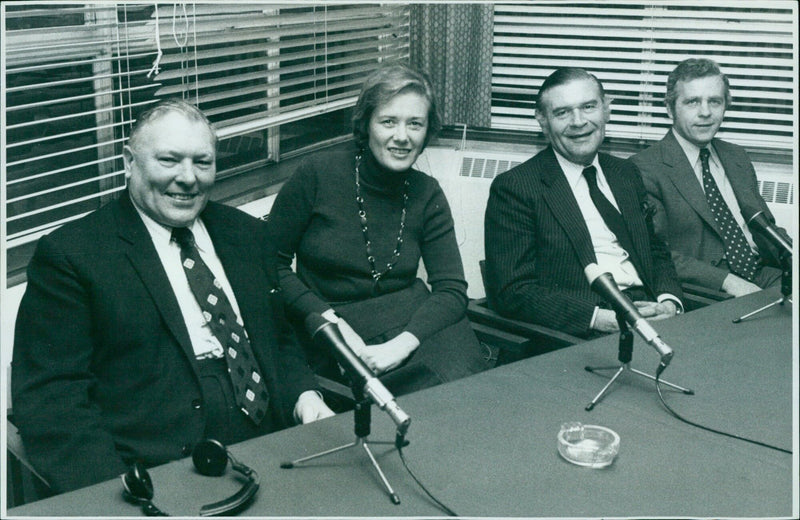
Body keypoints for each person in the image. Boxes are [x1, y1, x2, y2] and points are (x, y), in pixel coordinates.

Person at [10, 99, 333, 494]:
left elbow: (278, 339)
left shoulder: (248, 235)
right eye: (169, 160)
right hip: (158, 470)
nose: (188, 178)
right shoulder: (72, 256)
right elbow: (53, 401)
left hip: (274, 449)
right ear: (130, 161)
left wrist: (305, 394)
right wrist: (114, 494)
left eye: (202, 162)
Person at [266, 64, 487, 397]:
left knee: (468, 397)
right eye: (388, 122)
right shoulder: (316, 174)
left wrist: (403, 344)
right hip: (335, 326)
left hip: (415, 324)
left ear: (427, 132)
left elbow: (452, 289)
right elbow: (271, 264)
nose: (402, 136)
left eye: (415, 124)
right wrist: (327, 320)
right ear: (365, 125)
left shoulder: (428, 193)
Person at [484, 68, 684, 339]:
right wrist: (601, 319)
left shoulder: (626, 173)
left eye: (588, 107)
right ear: (542, 121)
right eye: (562, 112)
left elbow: (655, 250)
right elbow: (512, 291)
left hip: (653, 314)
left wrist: (669, 301)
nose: (578, 122)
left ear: (606, 110)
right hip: (583, 328)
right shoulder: (516, 187)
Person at [631, 58, 785, 297]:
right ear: (670, 108)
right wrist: (728, 282)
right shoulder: (644, 168)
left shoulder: (736, 156)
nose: (705, 112)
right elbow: (656, 253)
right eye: (692, 102)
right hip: (709, 287)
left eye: (714, 101)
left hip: (763, 272)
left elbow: (766, 228)